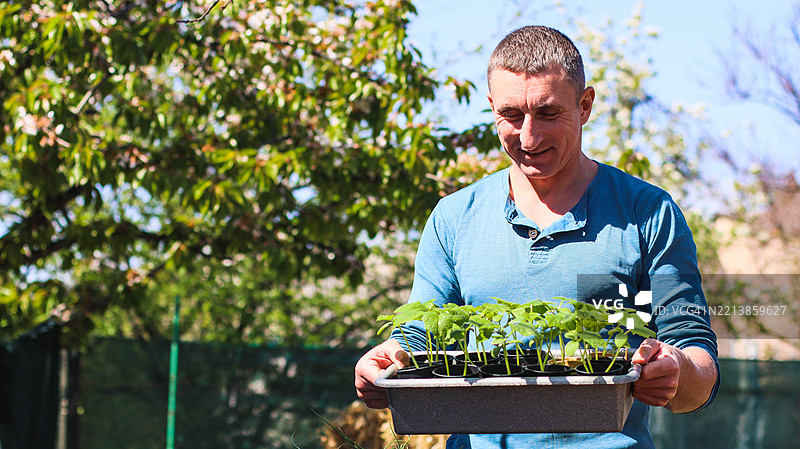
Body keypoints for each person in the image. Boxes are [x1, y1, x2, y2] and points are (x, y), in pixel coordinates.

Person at [355, 25, 719, 449]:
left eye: (548, 113)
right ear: (492, 107)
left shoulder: (648, 212)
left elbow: (697, 364)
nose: (529, 137)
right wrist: (388, 359)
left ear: (585, 105)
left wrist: (677, 370)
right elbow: (420, 333)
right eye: (511, 115)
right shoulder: (454, 217)